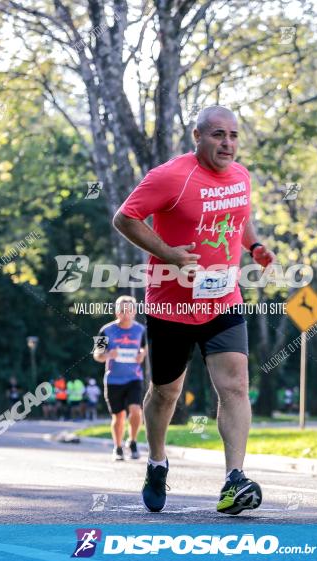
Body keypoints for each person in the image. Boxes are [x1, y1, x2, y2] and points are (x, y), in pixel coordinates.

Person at [113, 105, 276, 514]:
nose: (228, 143)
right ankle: (156, 461)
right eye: (219, 135)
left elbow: (240, 219)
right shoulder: (170, 176)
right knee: (166, 392)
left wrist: (253, 246)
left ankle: (234, 479)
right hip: (172, 303)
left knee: (236, 385)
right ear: (197, 137)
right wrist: (168, 253)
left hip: (223, 299)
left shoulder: (240, 176)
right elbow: (125, 218)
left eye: (234, 135)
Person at [93, 295, 147, 461]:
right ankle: (117, 447)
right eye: (122, 310)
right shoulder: (106, 330)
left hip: (134, 378)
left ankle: (133, 441)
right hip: (113, 379)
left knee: (136, 411)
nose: (125, 313)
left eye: (128, 310)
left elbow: (144, 349)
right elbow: (97, 355)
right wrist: (108, 354)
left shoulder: (141, 330)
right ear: (116, 312)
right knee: (119, 416)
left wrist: (142, 355)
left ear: (134, 312)